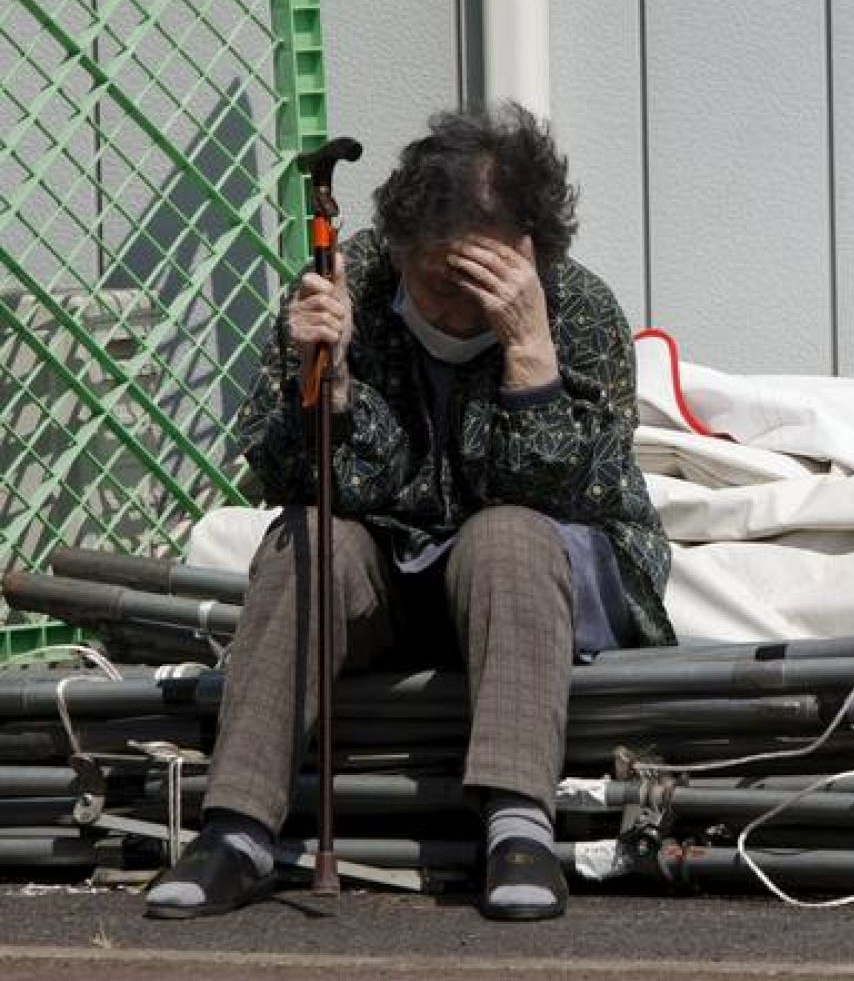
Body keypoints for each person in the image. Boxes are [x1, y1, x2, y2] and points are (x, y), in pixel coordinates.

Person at [144, 104, 674, 921]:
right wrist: (335, 388)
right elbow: (290, 476)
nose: (458, 309)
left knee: (506, 535)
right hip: (392, 569)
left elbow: (565, 498)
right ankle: (236, 827)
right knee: (306, 538)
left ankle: (517, 826)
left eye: (480, 281)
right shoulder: (342, 287)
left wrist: (530, 359)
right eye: (437, 279)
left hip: (536, 576)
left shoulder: (581, 312)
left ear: (531, 253)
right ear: (398, 248)